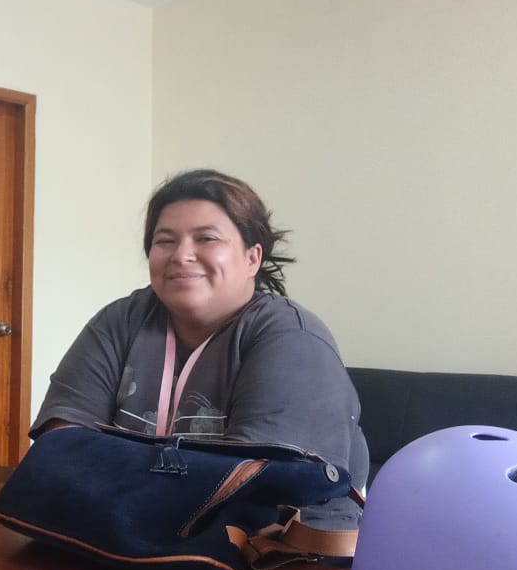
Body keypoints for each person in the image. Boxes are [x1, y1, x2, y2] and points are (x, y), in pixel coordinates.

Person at [31, 168, 368, 525]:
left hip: (268, 547)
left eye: (206, 238)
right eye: (165, 241)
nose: (181, 255)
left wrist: (112, 472)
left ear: (252, 258)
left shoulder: (293, 338)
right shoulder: (120, 321)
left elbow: (254, 491)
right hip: (118, 534)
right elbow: (59, 447)